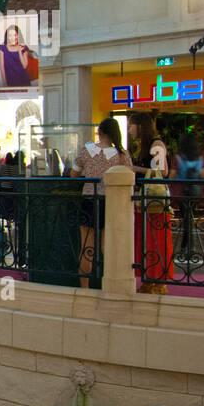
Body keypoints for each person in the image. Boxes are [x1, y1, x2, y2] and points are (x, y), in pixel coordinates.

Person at [70, 118, 133, 288]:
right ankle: (112, 284)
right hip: (112, 203)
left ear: (100, 132)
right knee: (109, 246)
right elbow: (129, 176)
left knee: (86, 247)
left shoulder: (86, 151)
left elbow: (73, 174)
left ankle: (85, 287)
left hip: (89, 200)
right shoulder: (122, 155)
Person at [129, 111, 172, 292]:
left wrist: (133, 168)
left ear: (140, 126)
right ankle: (149, 278)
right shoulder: (146, 145)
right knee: (146, 240)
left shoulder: (156, 144)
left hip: (154, 201)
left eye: (131, 125)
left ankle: (158, 281)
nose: (129, 129)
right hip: (144, 201)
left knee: (156, 240)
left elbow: (162, 171)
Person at [172, 133, 204, 258]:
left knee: (186, 220)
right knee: (189, 220)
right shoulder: (199, 158)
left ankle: (186, 247)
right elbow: (203, 174)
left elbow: (172, 176)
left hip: (182, 193)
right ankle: (188, 247)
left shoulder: (178, 158)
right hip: (196, 193)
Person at [0, 24, 38, 89]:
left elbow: (24, 65)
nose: (13, 38)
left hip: (24, 81)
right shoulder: (2, 48)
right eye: (10, 35)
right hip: (10, 82)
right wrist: (5, 83)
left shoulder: (23, 47)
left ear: (18, 36)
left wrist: (19, 51)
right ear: (7, 37)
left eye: (15, 35)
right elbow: (2, 66)